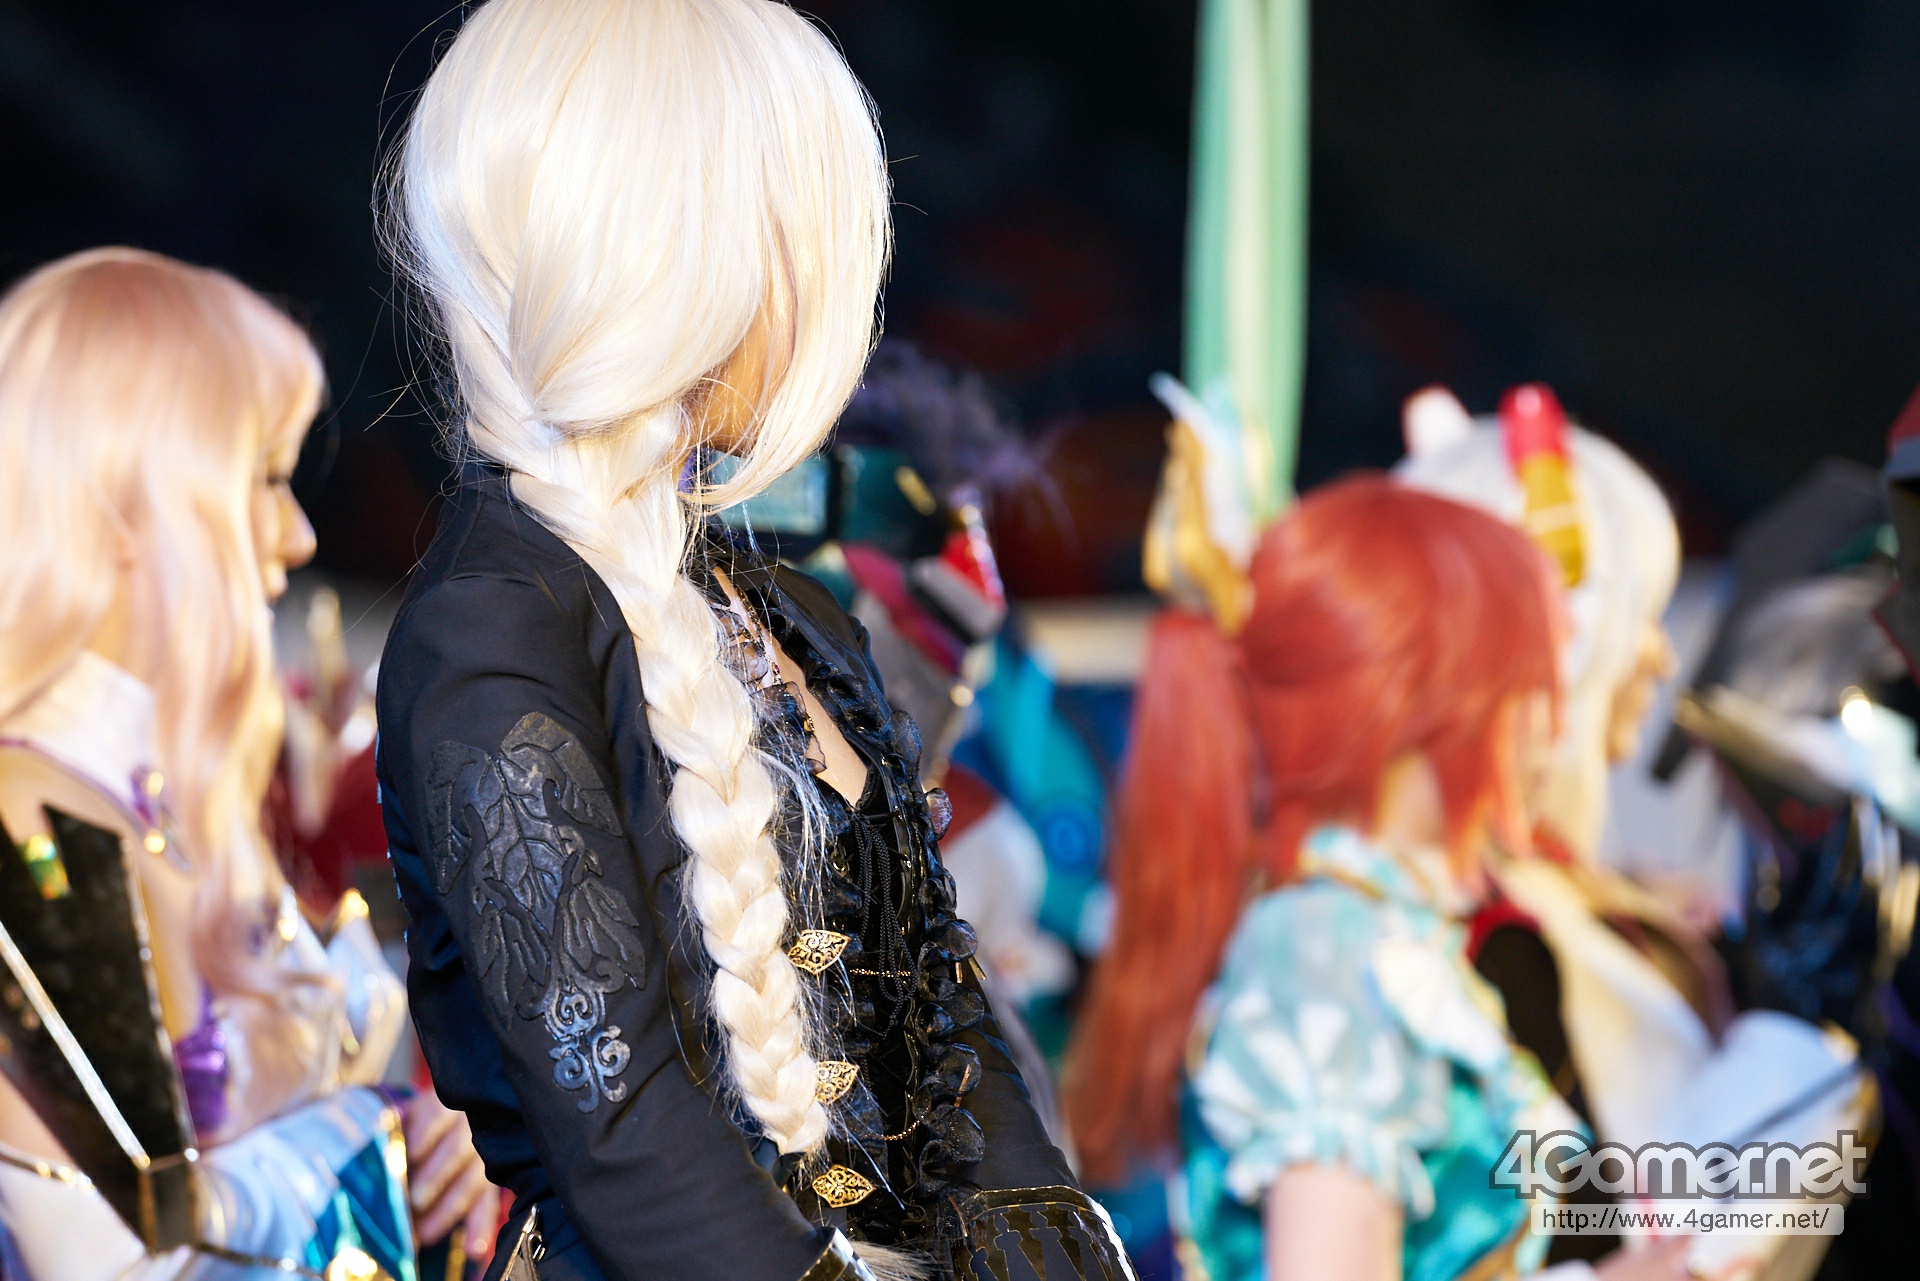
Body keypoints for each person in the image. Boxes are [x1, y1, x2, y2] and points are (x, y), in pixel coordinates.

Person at [375, 2, 1129, 1278]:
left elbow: (946, 1028)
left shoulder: (794, 619)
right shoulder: (489, 635)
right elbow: (623, 1127)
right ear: (663, 248)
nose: (816, 284)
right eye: (783, 229)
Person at [1066, 472, 1696, 1281]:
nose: (1557, 724)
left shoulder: (1364, 929)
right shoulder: (1326, 949)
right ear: (1437, 699)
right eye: (1532, 681)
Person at [0, 249, 494, 1278]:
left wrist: (431, 1139)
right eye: (263, 480)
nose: (297, 534)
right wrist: (370, 1132)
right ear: (126, 501)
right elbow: (141, 1239)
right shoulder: (27, 816)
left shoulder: (152, 798)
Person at [1397, 385, 1873, 1281]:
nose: (1660, 658)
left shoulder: (1554, 906)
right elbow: (1627, 1237)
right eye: (1638, 618)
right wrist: (1792, 1036)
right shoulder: (1483, 944)